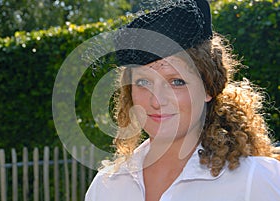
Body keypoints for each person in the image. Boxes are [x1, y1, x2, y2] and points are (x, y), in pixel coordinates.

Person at [85, 0, 280, 200]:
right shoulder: (107, 186)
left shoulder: (254, 181)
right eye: (143, 82)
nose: (156, 100)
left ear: (208, 87)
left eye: (176, 82)